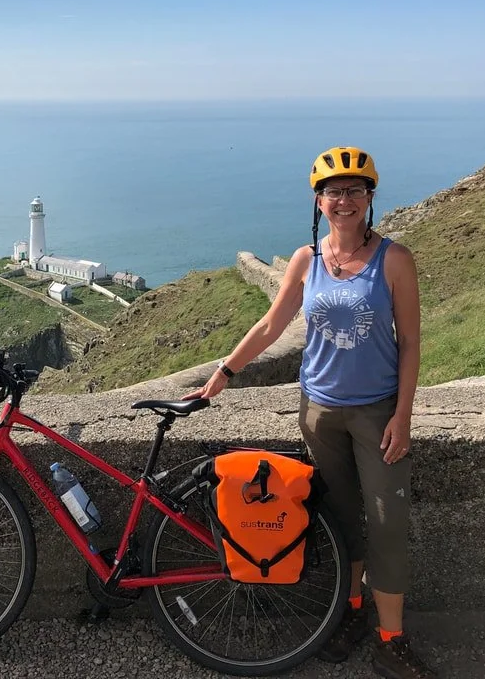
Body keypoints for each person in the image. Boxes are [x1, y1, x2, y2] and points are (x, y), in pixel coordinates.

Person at [184, 146, 436, 678]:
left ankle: (391, 639)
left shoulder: (395, 260)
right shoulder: (307, 260)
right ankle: (351, 613)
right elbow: (271, 327)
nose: (343, 201)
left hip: (377, 413)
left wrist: (403, 415)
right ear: (318, 201)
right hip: (320, 412)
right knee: (341, 521)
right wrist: (223, 374)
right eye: (333, 192)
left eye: (354, 190)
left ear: (370, 198)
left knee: (387, 525)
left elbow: (411, 341)